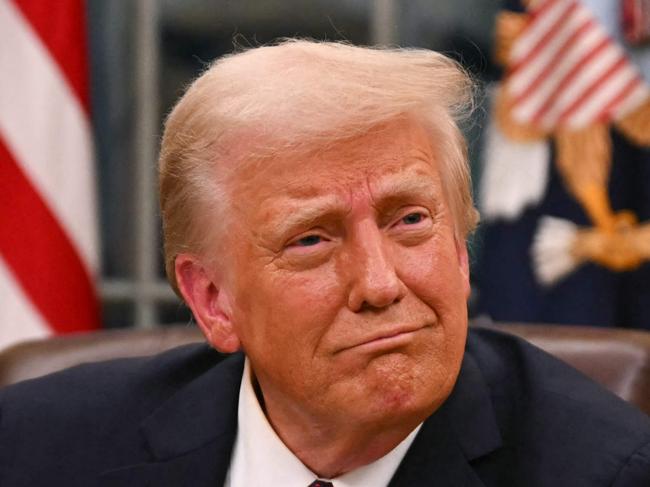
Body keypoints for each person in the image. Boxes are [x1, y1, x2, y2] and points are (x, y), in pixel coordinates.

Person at [1, 39, 649, 487]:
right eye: (312, 239)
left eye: (410, 220)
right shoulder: (37, 448)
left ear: (460, 248)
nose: (379, 282)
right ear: (212, 299)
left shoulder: (605, 471)